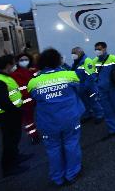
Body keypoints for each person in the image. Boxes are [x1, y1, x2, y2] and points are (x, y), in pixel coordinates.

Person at [28, 48, 84, 186]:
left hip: (47, 122)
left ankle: (57, 178)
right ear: (58, 60)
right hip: (69, 118)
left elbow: (34, 98)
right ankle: (72, 174)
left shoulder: (33, 82)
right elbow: (79, 89)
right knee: (71, 144)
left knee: (53, 149)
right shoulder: (70, 75)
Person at [0, 55, 31, 177]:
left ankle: (16, 157)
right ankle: (8, 167)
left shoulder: (1, 77)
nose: (14, 66)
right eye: (13, 64)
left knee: (14, 138)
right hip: (6, 115)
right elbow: (2, 102)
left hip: (9, 114)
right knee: (9, 141)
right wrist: (16, 111)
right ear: (7, 65)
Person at [11, 52, 40, 144]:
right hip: (26, 101)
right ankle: (33, 136)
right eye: (21, 60)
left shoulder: (35, 70)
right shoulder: (15, 74)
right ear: (18, 62)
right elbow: (21, 89)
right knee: (29, 121)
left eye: (26, 59)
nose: (24, 61)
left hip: (38, 99)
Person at [71, 47, 104, 124]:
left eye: (74, 53)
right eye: (72, 53)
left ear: (80, 53)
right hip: (81, 86)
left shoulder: (87, 61)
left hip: (89, 86)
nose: (73, 55)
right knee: (84, 102)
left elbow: (91, 76)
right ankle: (87, 115)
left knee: (94, 101)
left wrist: (85, 86)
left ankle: (100, 115)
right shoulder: (76, 62)